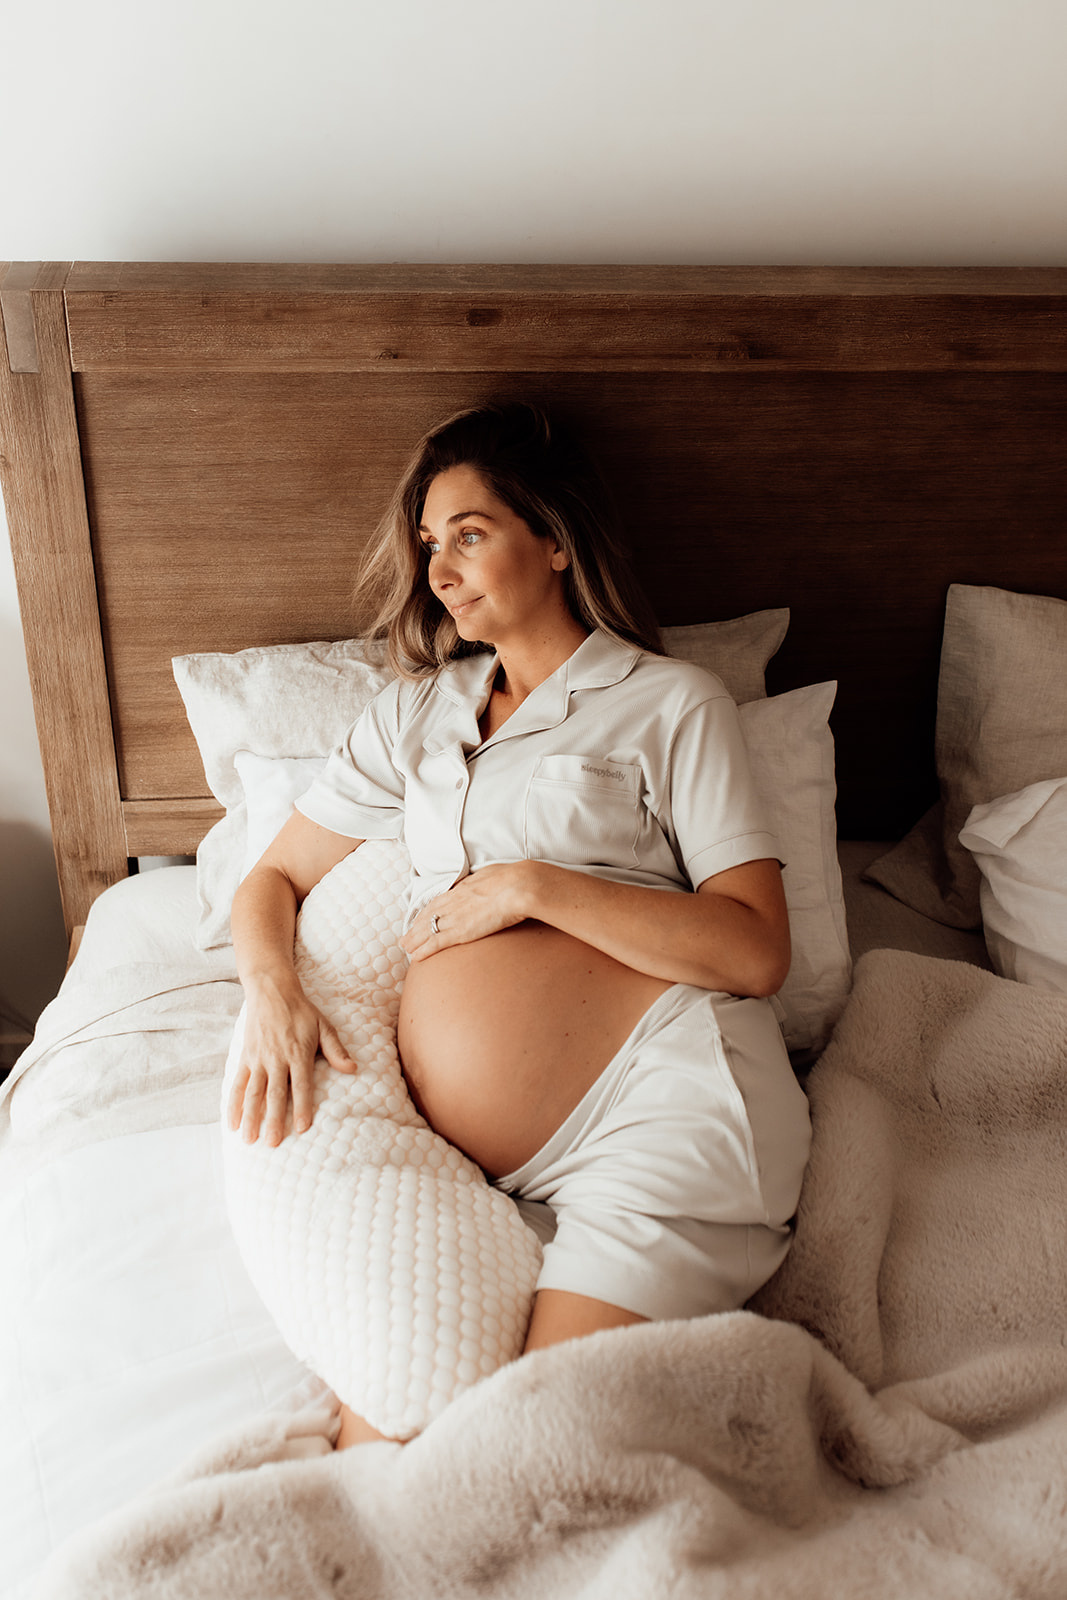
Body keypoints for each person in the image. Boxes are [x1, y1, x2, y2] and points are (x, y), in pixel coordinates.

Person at [227, 401, 811, 1449]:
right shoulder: (414, 717)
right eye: (427, 546)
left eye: (468, 533)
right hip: (479, 1175)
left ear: (551, 538)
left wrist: (534, 886)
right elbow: (268, 881)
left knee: (530, 1451)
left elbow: (754, 949)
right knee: (381, 1437)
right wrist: (272, 991)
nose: (440, 569)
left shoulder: (669, 704)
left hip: (663, 1112)